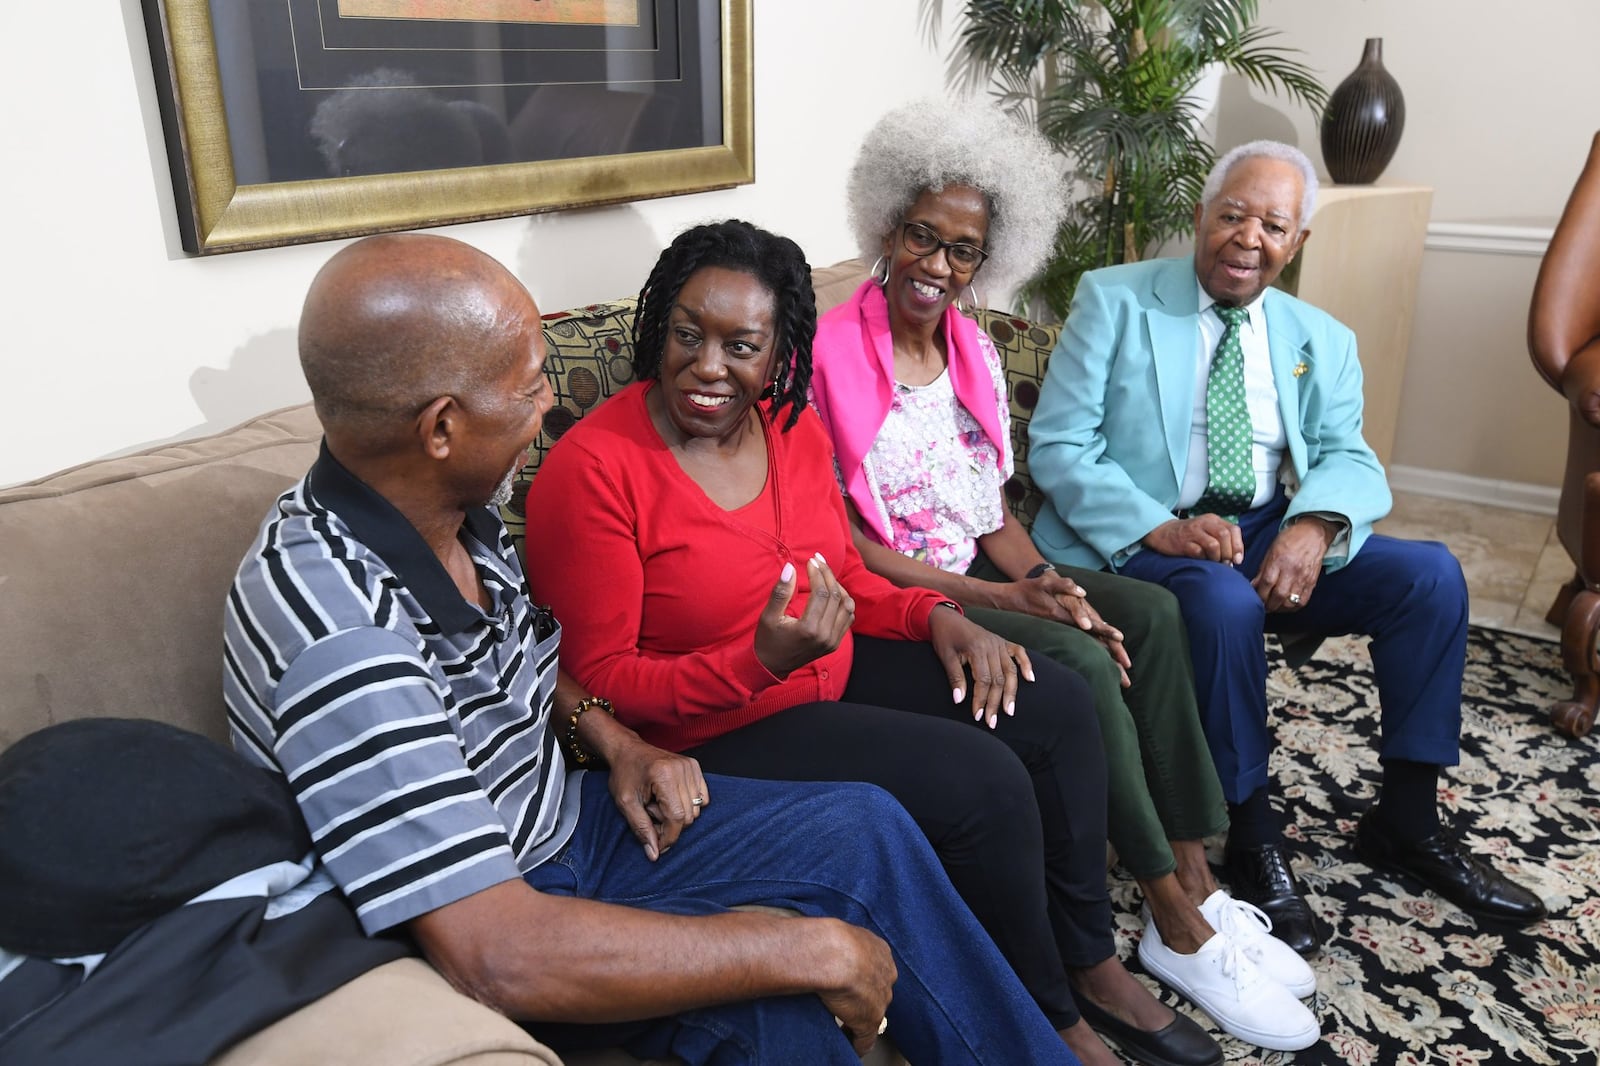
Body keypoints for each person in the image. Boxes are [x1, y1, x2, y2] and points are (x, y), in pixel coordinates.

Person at [222, 232, 1084, 1066]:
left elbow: (535, 673)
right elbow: (494, 955)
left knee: (870, 825)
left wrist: (615, 740)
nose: (548, 414)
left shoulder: (448, 514)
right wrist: (805, 949)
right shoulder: (344, 634)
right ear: (441, 428)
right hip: (507, 901)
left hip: (578, 823)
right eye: (528, 394)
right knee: (785, 1020)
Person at [524, 219, 1219, 1066]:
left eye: (740, 345)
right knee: (983, 785)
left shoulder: (790, 428)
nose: (708, 367)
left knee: (1056, 702)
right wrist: (758, 661)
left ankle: (1089, 961)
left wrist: (937, 618)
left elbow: (845, 575)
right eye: (686, 334)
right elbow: (597, 683)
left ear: (779, 352)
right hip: (716, 728)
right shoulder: (596, 469)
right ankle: (1047, 1017)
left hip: (822, 670)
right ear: (657, 328)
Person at [809, 97, 1319, 1056]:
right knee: (1080, 664)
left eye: (963, 250)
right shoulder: (832, 352)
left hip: (987, 568)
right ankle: (1161, 922)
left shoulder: (970, 347)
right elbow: (847, 546)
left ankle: (1196, 870)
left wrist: (1051, 577)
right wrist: (1012, 600)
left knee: (1151, 618)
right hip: (908, 596)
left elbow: (992, 512)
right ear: (888, 225)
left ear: (984, 263)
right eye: (922, 235)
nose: (937, 266)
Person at [1026, 139, 1549, 960]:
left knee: (1431, 579)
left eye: (1273, 224)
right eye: (1232, 214)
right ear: (1201, 217)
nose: (1248, 238)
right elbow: (1059, 447)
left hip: (1265, 525)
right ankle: (1252, 828)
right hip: (1139, 532)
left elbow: (1348, 454)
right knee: (1223, 601)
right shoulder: (1115, 301)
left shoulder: (1321, 336)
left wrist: (1314, 526)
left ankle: (1408, 820)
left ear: (1296, 243)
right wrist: (1158, 527)